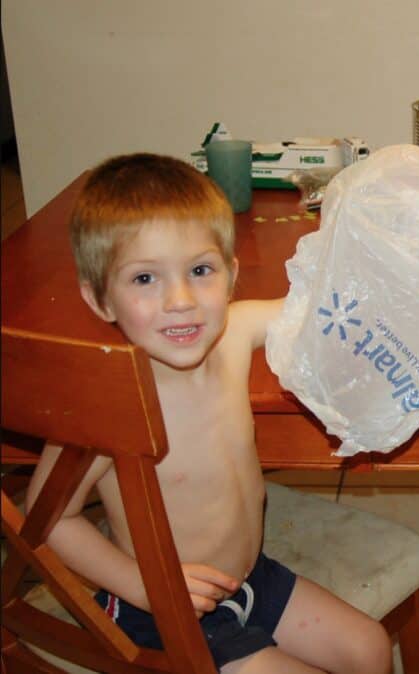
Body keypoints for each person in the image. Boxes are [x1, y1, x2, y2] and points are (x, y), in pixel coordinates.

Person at [25, 154, 393, 674]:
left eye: (200, 271)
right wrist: (146, 586)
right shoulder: (106, 401)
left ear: (230, 274)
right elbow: (48, 518)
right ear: (101, 299)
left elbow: (319, 311)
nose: (181, 300)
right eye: (145, 279)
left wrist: (393, 292)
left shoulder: (235, 334)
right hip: (162, 608)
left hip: (248, 579)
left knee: (371, 647)